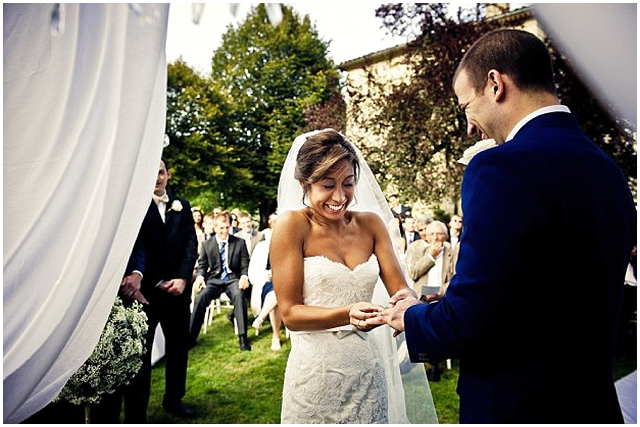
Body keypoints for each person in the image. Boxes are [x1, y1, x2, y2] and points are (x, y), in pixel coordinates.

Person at [384, 29, 636, 423]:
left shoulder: (499, 167)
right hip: (593, 406)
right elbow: (540, 292)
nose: (469, 127)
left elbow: (470, 322)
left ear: (495, 84)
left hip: (518, 407)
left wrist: (412, 315)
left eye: (466, 106)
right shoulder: (608, 172)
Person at [271, 129, 437, 423]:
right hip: (316, 376)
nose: (339, 196)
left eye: (348, 183)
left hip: (368, 370)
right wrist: (349, 313)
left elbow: (400, 287)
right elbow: (290, 314)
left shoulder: (370, 224)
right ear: (303, 184)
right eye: (327, 185)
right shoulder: (292, 225)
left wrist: (405, 300)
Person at [124, 158, 198, 421]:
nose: (157, 178)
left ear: (168, 174)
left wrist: (182, 278)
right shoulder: (136, 208)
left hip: (178, 292)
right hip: (148, 293)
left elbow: (191, 244)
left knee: (178, 347)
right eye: (152, 173)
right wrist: (154, 280)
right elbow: (138, 246)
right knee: (141, 353)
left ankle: (174, 399)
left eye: (160, 172)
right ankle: (137, 411)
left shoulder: (182, 205)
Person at [189, 212, 252, 351]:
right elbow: (202, 265)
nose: (225, 231)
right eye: (221, 228)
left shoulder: (239, 243)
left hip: (232, 278)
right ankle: (191, 337)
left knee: (239, 295)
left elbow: (245, 264)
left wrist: (244, 276)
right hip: (214, 280)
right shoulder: (207, 244)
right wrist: (200, 276)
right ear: (215, 228)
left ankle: (243, 338)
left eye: (227, 227)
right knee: (201, 298)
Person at [249, 239, 284, 350]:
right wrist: (266, 274)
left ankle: (261, 318)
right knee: (276, 296)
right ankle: (275, 336)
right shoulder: (262, 246)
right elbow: (253, 271)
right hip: (266, 282)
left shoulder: (289, 244)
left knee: (278, 293)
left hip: (283, 281)